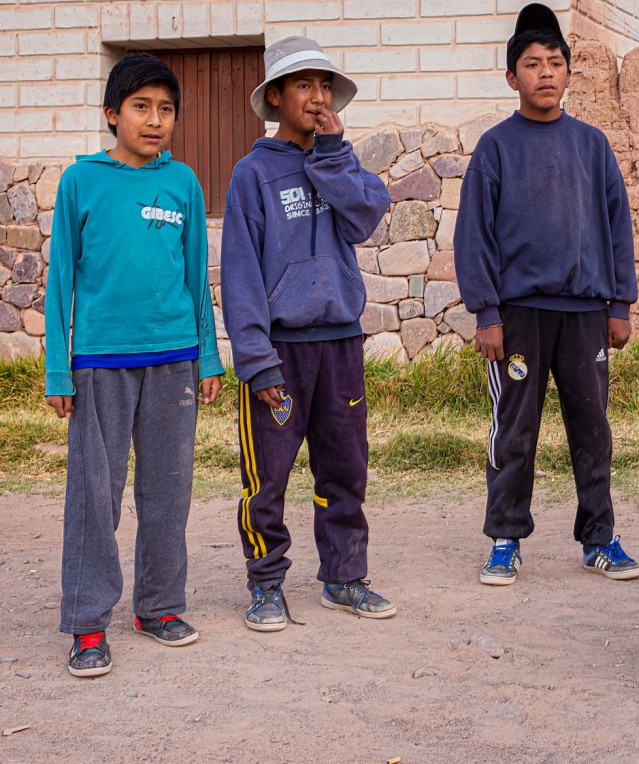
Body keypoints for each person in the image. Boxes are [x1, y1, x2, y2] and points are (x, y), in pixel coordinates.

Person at [44, 53, 224, 677]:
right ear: (111, 114)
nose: (155, 121)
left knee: (168, 492)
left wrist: (208, 357)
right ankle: (88, 623)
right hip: (99, 363)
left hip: (174, 361)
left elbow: (197, 278)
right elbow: (60, 280)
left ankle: (159, 605)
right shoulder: (80, 182)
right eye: (141, 107)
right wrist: (57, 369)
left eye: (166, 109)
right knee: (95, 494)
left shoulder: (183, 184)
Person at [454, 3, 639, 586]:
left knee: (593, 427)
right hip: (518, 317)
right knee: (514, 429)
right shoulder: (495, 148)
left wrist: (620, 303)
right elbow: (474, 235)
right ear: (512, 77)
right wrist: (487, 311)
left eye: (555, 63)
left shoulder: (592, 145)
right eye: (531, 64)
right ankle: (505, 539)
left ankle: (600, 539)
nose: (545, 73)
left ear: (568, 73)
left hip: (586, 312)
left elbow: (617, 225)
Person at [220, 36, 394, 631]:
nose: (317, 97)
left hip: (340, 343)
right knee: (267, 476)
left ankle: (343, 577)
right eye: (304, 86)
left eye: (325, 86)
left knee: (344, 465)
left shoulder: (339, 163)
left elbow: (366, 216)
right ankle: (266, 583)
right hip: (281, 352)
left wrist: (332, 152)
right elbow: (241, 274)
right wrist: (256, 361)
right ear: (275, 97)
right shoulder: (252, 175)